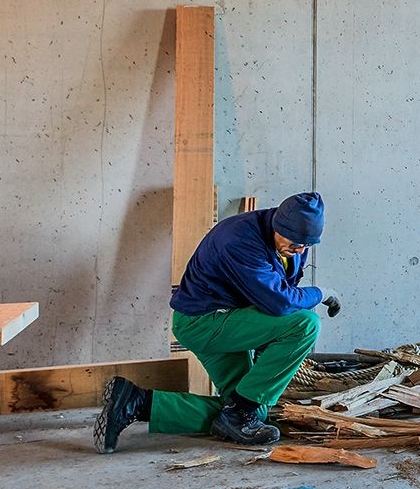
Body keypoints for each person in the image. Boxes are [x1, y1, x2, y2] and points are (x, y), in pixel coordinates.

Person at [94, 192, 342, 453]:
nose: (300, 250)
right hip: (204, 322)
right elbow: (280, 303)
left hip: (230, 321)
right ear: (277, 226)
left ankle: (136, 402)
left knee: (249, 414)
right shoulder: (239, 239)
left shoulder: (293, 244)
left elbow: (279, 297)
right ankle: (238, 412)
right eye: (295, 243)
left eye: (307, 245)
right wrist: (321, 293)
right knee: (306, 324)